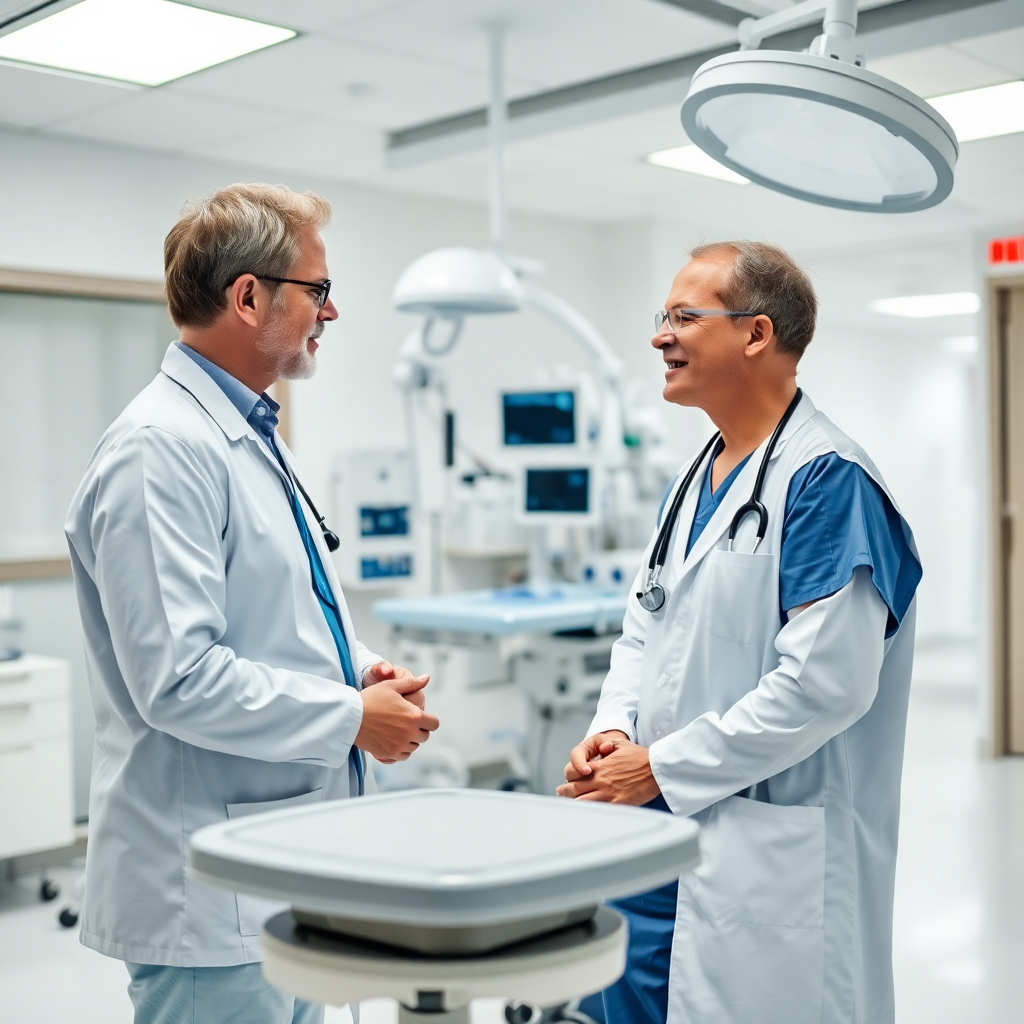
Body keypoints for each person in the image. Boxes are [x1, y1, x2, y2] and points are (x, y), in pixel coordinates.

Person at [65, 183, 439, 1024]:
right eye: (318, 290)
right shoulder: (160, 449)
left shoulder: (249, 430)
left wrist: (358, 671)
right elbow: (179, 680)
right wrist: (352, 718)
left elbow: (273, 613)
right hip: (207, 889)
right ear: (248, 297)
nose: (330, 313)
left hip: (280, 865)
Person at [557, 241, 922, 1024]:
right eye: (662, 316)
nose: (659, 335)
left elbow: (825, 686)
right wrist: (614, 729)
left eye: (684, 317)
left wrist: (660, 767)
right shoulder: (693, 482)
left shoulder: (828, 482)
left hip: (763, 845)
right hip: (657, 830)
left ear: (756, 334)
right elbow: (644, 630)